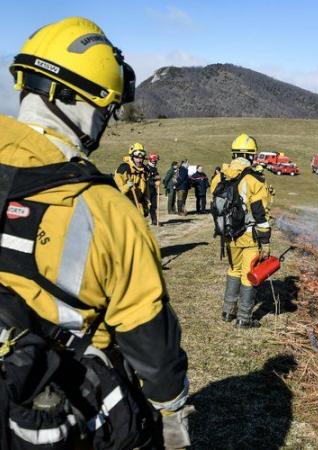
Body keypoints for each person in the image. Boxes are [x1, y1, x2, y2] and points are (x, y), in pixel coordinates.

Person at [1, 17, 191, 448]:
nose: (106, 123)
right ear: (73, 98)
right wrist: (173, 417)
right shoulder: (106, 211)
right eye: (106, 109)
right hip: (62, 414)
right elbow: (155, 356)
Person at [211, 133, 272, 327]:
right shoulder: (254, 180)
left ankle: (228, 312)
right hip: (249, 236)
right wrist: (265, 241)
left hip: (228, 234)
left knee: (234, 269)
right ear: (251, 155)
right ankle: (244, 318)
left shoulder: (220, 175)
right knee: (248, 273)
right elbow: (260, 214)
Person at [114, 143, 149, 216]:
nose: (139, 160)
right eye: (137, 158)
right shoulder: (123, 169)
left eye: (141, 158)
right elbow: (117, 192)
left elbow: (146, 191)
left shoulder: (144, 171)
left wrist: (147, 205)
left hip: (138, 207)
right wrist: (127, 186)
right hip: (124, 207)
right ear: (132, 157)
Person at [145, 153, 161, 225]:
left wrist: (158, 180)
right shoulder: (146, 168)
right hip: (146, 189)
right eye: (154, 161)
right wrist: (154, 183)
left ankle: (154, 220)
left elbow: (156, 177)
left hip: (153, 189)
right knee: (145, 206)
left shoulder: (155, 168)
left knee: (154, 205)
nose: (155, 162)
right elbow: (146, 179)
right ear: (150, 160)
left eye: (156, 161)